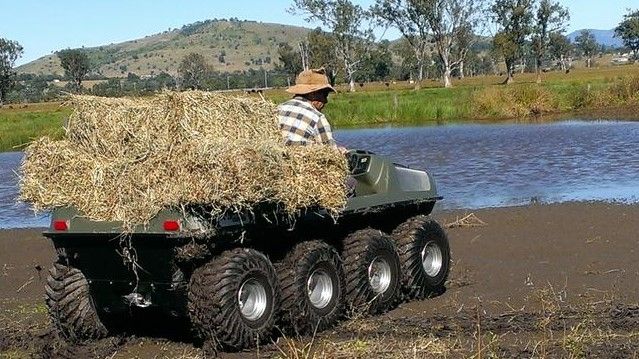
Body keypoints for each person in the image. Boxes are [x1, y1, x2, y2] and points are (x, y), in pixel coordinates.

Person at [278, 68, 338, 147]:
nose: (325, 101)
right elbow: (331, 152)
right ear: (312, 94)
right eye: (324, 95)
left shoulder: (278, 109)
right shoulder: (317, 118)